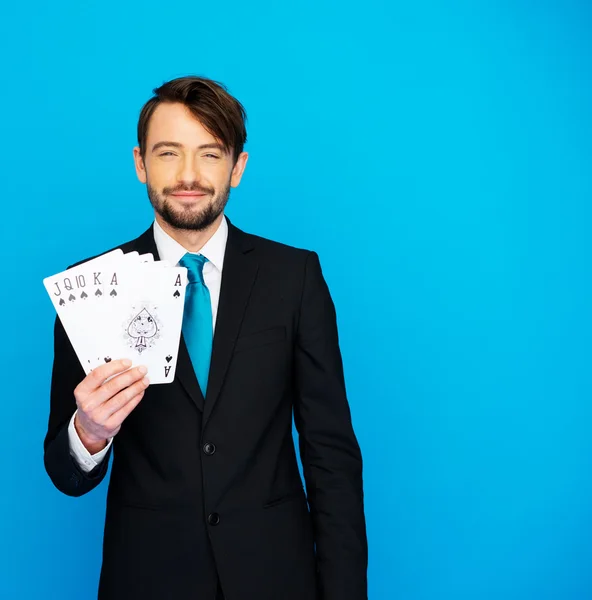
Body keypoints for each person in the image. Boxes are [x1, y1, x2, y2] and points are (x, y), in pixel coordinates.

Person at [43, 75, 368, 600]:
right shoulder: (89, 289)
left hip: (276, 578)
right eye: (168, 153)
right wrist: (89, 433)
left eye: (210, 154)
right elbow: (64, 472)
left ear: (237, 167)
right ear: (140, 163)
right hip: (147, 580)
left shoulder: (294, 278)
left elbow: (331, 454)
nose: (188, 175)